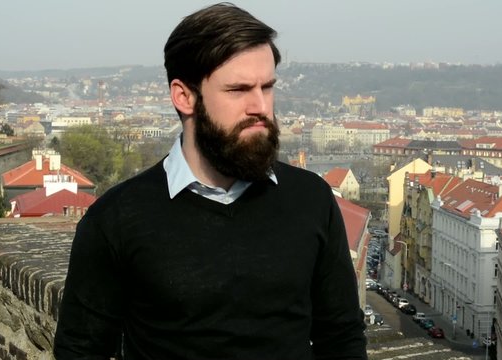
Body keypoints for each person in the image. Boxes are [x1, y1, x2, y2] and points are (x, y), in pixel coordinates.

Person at [54, 3, 367, 359]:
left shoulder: (310, 199)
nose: (260, 106)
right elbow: (80, 351)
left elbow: (341, 337)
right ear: (184, 96)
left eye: (267, 87)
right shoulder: (117, 220)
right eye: (238, 90)